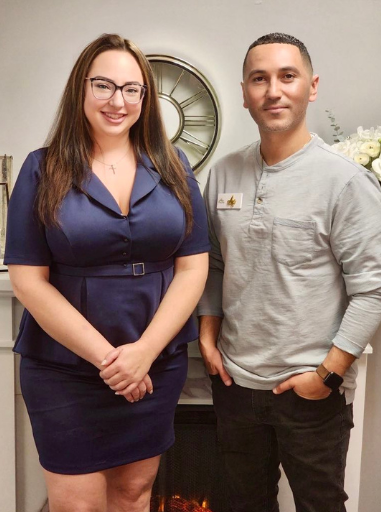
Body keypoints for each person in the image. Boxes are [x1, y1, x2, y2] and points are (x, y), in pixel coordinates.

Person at [5, 33, 210, 512]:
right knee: (77, 505)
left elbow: (193, 267)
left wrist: (144, 354)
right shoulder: (41, 170)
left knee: (135, 495)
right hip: (65, 369)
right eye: (104, 85)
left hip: (155, 362)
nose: (118, 101)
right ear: (81, 89)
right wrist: (112, 361)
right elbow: (27, 281)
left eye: (132, 89)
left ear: (145, 97)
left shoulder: (175, 166)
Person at [198, 32, 381, 512]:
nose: (273, 91)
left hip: (311, 392)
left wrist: (329, 373)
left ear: (312, 86)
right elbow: (214, 262)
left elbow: (372, 291)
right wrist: (207, 333)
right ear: (244, 92)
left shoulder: (346, 182)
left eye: (287, 76)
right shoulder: (223, 173)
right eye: (259, 79)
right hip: (236, 384)